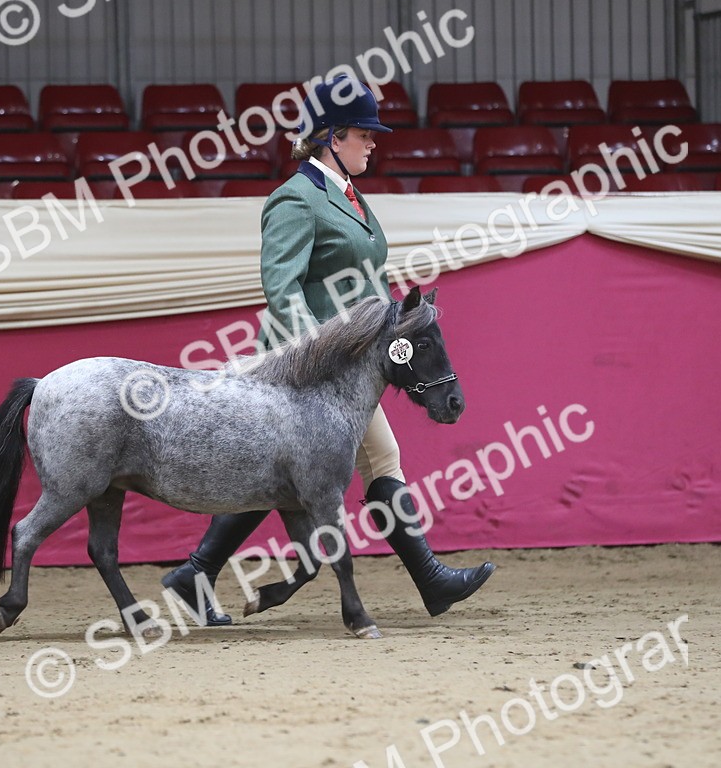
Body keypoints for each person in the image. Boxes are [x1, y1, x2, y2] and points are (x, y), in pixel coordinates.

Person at [163, 75, 494, 624]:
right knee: (350, 465)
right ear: (333, 137)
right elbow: (281, 286)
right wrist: (321, 357)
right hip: (307, 370)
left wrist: (398, 326)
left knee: (309, 473)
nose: (373, 143)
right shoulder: (295, 199)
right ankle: (431, 581)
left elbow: (370, 281)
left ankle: (196, 572)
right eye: (365, 134)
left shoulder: (351, 197)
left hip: (353, 366)